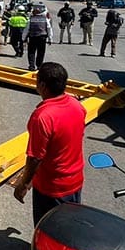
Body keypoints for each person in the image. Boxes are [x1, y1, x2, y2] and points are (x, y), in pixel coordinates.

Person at [13, 62, 86, 226]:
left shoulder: (43, 117)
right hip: (75, 182)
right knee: (67, 228)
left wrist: (23, 185)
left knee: (48, 231)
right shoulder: (77, 105)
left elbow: (35, 158)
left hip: (52, 188)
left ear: (43, 86)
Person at [23, 5, 50, 71]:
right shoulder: (45, 19)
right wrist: (50, 38)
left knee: (31, 52)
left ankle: (32, 66)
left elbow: (26, 29)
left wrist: (23, 38)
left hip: (33, 37)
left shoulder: (30, 19)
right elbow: (49, 29)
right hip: (42, 38)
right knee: (41, 52)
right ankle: (39, 66)